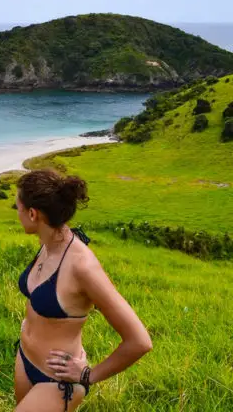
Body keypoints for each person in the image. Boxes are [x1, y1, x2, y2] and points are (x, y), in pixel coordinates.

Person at [14, 169, 152, 411]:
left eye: (18, 207)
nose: (17, 214)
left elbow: (139, 341)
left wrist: (88, 375)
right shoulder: (48, 243)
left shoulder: (82, 266)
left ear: (33, 214)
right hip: (24, 359)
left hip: (56, 381)